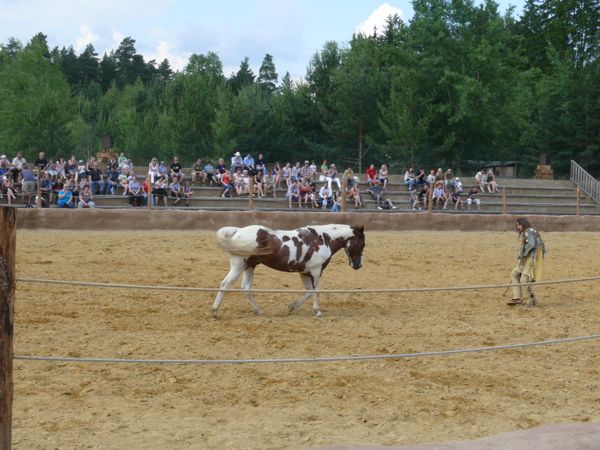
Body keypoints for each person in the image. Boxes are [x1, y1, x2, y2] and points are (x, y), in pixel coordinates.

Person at [508, 218, 546, 307]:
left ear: (523, 224)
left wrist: (523, 254)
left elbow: (532, 245)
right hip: (527, 258)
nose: (518, 227)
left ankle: (532, 300)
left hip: (530, 259)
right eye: (517, 225)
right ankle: (518, 298)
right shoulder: (530, 232)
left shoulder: (528, 231)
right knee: (515, 273)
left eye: (519, 225)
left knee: (524, 279)